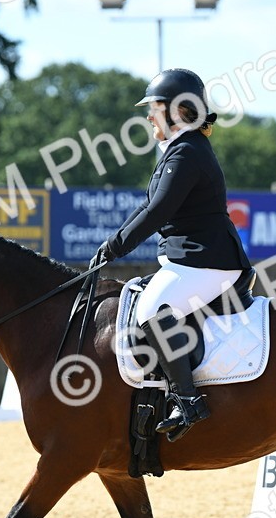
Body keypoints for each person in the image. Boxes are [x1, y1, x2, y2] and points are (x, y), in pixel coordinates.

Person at [92, 68, 252, 442]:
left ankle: (189, 401)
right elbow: (149, 204)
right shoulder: (180, 150)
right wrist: (111, 243)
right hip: (192, 259)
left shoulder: (187, 153)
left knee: (151, 311)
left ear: (178, 111)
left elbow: (157, 211)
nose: (149, 116)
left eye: (155, 108)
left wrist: (116, 247)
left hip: (209, 262)